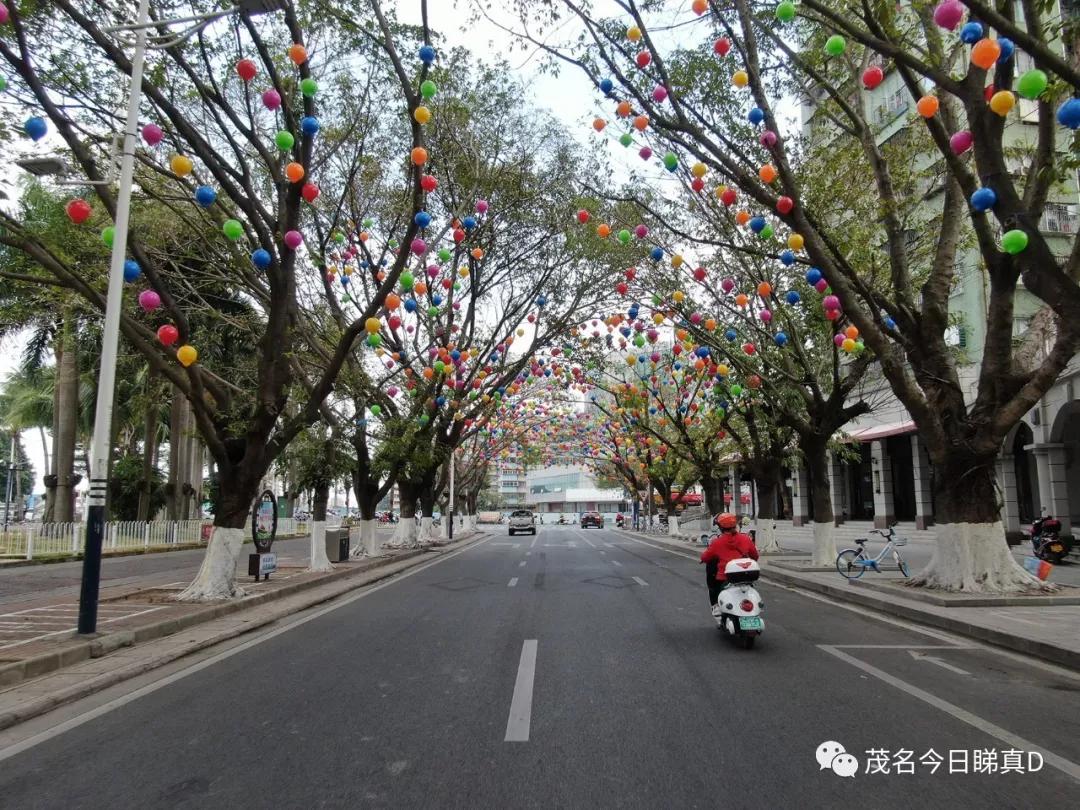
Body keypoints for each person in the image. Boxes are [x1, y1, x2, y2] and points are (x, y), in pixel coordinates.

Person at [700, 513, 759, 617]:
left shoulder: (717, 542)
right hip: (747, 576)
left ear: (720, 527)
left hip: (725, 577)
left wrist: (704, 559)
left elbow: (705, 557)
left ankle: (716, 606)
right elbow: (755, 555)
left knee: (713, 587)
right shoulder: (746, 539)